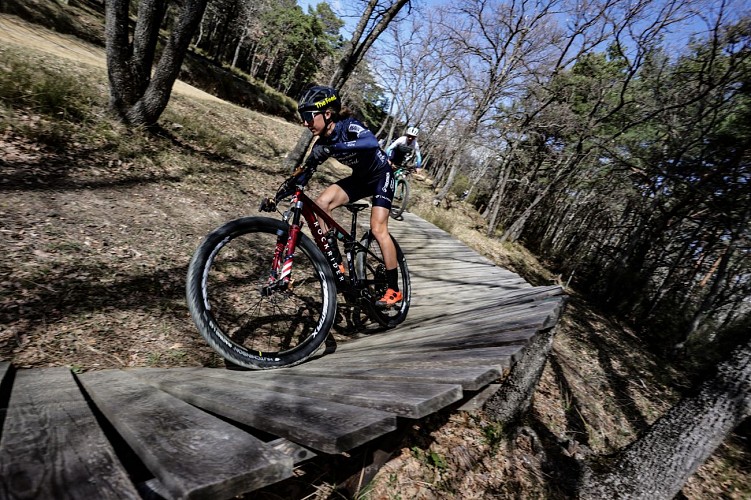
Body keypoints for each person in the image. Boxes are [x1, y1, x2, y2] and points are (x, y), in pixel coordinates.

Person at [295, 85, 403, 307]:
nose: (304, 123)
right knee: (321, 203)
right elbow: (305, 174)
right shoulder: (321, 143)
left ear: (327, 114)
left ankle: (394, 289)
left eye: (308, 117)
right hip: (361, 180)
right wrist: (288, 189)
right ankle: (337, 262)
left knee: (378, 228)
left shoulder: (348, 125)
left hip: (382, 176)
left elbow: (372, 143)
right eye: (302, 117)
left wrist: (337, 147)